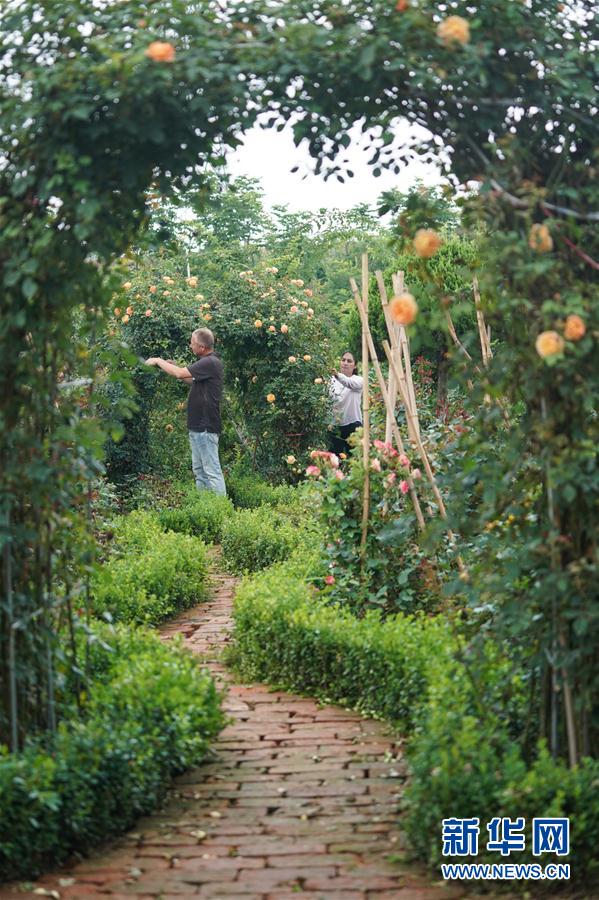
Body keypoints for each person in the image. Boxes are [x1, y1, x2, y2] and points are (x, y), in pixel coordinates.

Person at [145, 327, 226, 495]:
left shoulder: (209, 361)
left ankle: (221, 512)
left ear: (202, 347)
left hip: (206, 426)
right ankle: (204, 506)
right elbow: (189, 379)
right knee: (200, 471)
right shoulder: (207, 363)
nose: (190, 345)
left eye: (193, 343)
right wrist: (171, 367)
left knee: (211, 471)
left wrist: (159, 361)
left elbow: (180, 374)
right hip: (197, 426)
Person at [329, 351, 363, 457]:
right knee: (334, 460)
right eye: (343, 360)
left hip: (352, 424)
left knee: (354, 459)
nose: (345, 363)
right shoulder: (331, 381)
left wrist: (337, 375)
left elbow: (349, 383)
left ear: (355, 365)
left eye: (349, 361)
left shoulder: (358, 380)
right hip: (335, 425)